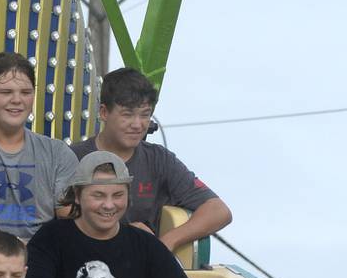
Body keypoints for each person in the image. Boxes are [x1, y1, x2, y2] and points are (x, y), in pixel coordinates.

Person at [23, 152, 208, 278]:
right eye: (98, 195)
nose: (109, 205)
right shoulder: (52, 236)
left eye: (118, 195)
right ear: (77, 196)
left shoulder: (145, 244)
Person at [71, 68, 231, 251]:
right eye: (127, 114)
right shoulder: (71, 158)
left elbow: (218, 210)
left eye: (145, 115)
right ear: (104, 113)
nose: (138, 124)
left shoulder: (159, 160)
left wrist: (165, 243)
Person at [0, 52, 78, 240]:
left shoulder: (57, 153)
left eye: (25, 92)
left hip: (41, 259)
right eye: (6, 92)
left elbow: (70, 222)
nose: (17, 100)